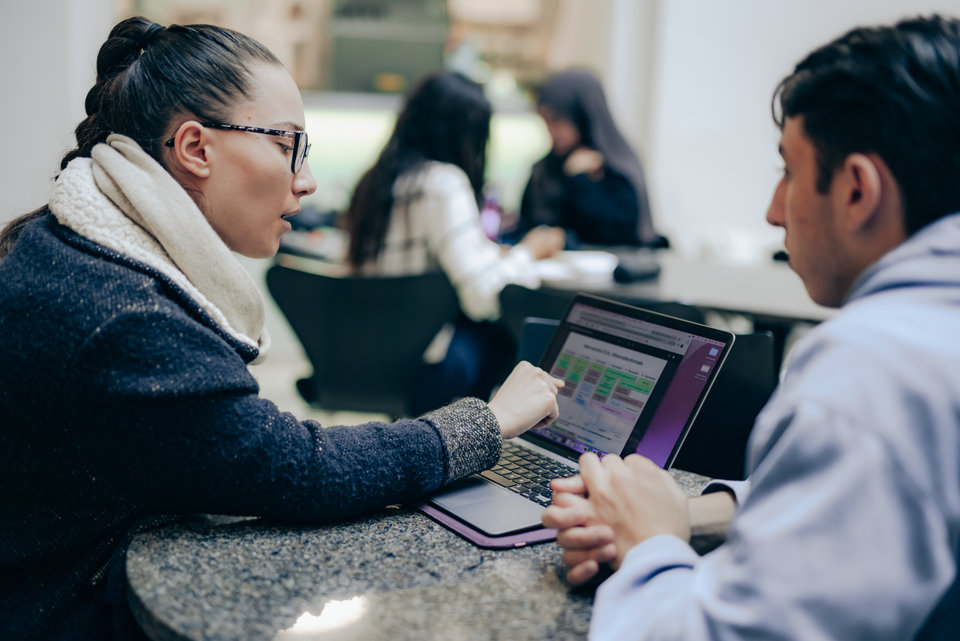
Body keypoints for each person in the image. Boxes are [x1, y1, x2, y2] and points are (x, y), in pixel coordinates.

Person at [0, 18, 563, 640]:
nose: (306, 179)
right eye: (284, 142)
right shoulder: (121, 315)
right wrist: (490, 420)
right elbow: (301, 469)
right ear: (195, 149)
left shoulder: (68, 248)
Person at [543, 14, 960, 640]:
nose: (772, 210)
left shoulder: (864, 373)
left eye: (788, 171)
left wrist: (651, 543)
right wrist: (687, 511)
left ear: (857, 190)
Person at [341, 70, 565, 414]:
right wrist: (527, 253)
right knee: (513, 330)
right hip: (430, 367)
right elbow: (482, 299)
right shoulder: (442, 183)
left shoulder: (375, 180)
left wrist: (489, 254)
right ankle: (490, 440)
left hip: (369, 359)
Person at [516, 68, 665, 248]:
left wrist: (582, 181)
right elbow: (531, 225)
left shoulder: (617, 166)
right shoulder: (545, 169)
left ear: (581, 112)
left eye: (557, 119)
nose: (551, 130)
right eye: (545, 121)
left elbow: (619, 234)